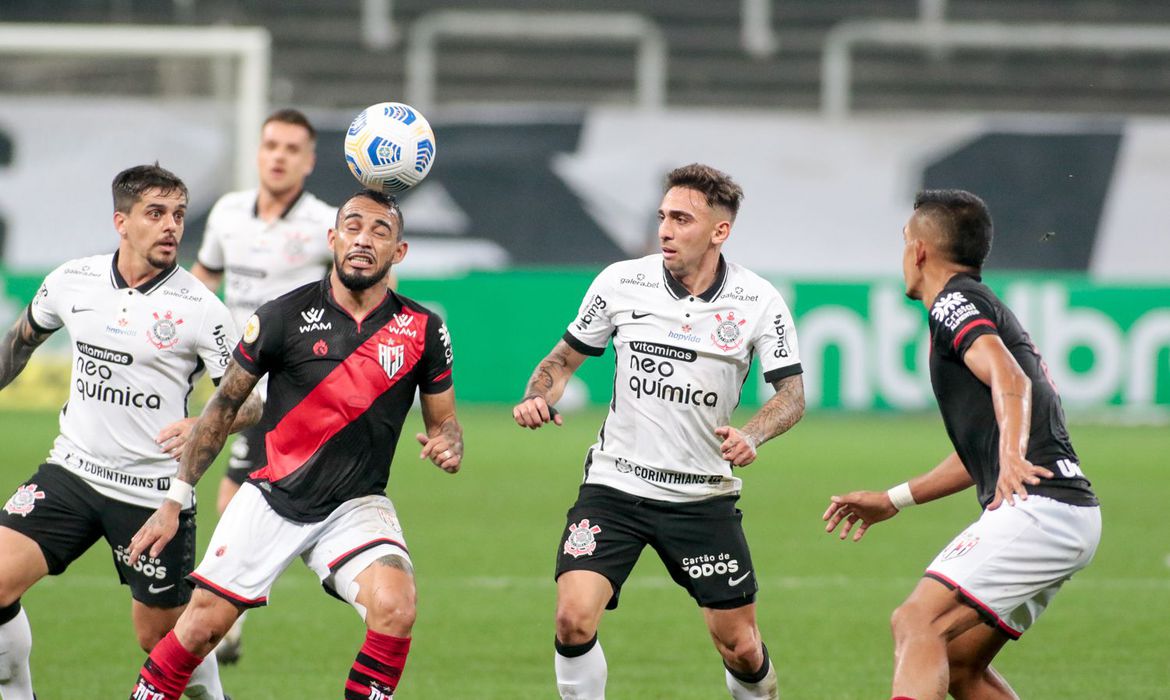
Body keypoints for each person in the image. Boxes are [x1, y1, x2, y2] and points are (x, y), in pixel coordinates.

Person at [126, 188, 461, 700]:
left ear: (400, 252)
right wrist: (176, 500)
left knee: (396, 606)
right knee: (199, 630)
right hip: (273, 497)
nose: (363, 240)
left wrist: (447, 443)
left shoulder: (423, 329)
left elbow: (444, 424)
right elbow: (224, 407)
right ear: (332, 238)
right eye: (352, 227)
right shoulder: (282, 316)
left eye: (380, 231)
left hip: (355, 506)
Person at [514, 163, 805, 700]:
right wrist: (538, 394)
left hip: (701, 499)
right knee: (573, 618)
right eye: (662, 217)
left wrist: (753, 435)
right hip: (614, 488)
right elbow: (561, 362)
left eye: (682, 219)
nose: (665, 230)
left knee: (739, 645)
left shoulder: (758, 300)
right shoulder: (621, 281)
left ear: (720, 231)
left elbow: (792, 395)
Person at [823, 189, 1101, 700]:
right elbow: (983, 447)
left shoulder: (954, 301)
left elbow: (1009, 377)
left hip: (1039, 506)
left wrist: (1013, 455)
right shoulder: (976, 302)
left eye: (904, 241)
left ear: (920, 250)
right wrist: (893, 499)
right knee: (957, 662)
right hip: (1065, 510)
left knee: (915, 623)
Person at [0, 164, 261, 700]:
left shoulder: (200, 310)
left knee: (159, 637)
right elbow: (20, 342)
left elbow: (252, 403)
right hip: (70, 473)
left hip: (150, 495)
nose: (171, 226)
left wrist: (205, 420)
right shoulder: (72, 281)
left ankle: (214, 696)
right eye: (156, 213)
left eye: (179, 215)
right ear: (121, 221)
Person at [190, 108, 337, 663]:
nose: (278, 156)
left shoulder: (326, 221)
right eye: (271, 145)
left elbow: (372, 287)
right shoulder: (228, 212)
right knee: (250, 495)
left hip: (293, 386)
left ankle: (222, 621)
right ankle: (229, 615)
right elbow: (205, 281)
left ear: (309, 160)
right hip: (236, 376)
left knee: (236, 494)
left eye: (291, 148)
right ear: (258, 151)